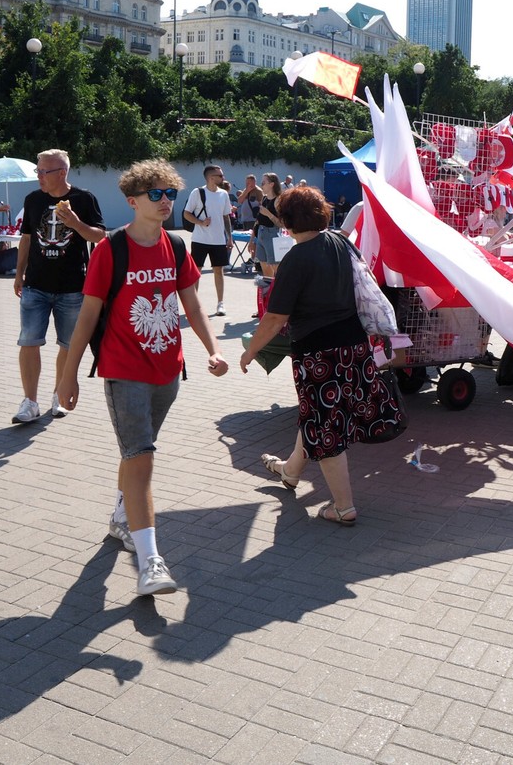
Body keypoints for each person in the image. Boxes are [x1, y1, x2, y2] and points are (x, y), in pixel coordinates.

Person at [55, 159, 228, 595]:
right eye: (156, 195)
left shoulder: (176, 245)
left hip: (168, 370)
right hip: (123, 369)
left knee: (137, 454)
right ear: (132, 201)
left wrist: (214, 349)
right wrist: (68, 376)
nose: (166, 201)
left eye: (169, 193)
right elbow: (88, 316)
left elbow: (191, 304)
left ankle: (120, 516)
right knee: (142, 456)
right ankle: (150, 561)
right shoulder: (111, 250)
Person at [240, 186, 402, 526]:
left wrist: (251, 351)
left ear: (286, 221)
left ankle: (343, 507)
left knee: (325, 424)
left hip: (317, 353)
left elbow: (274, 319)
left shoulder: (295, 259)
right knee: (318, 415)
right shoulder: (339, 242)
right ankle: (290, 471)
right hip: (353, 347)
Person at [13, 149, 105, 424]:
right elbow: (27, 239)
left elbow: (100, 237)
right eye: (37, 171)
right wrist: (19, 274)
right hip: (36, 286)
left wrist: (75, 223)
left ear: (62, 172)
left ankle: (59, 395)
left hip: (73, 287)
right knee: (29, 342)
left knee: (68, 344)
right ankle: (29, 402)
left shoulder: (83, 198)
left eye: (44, 171)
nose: (39, 176)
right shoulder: (33, 200)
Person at [182, 165, 233, 316]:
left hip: (218, 240)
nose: (223, 178)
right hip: (200, 239)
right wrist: (200, 222)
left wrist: (229, 238)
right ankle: (194, 304)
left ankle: (220, 304)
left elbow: (226, 217)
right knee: (196, 271)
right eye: (220, 176)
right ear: (211, 178)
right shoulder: (198, 192)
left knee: (219, 271)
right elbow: (186, 213)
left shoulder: (224, 194)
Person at [255, 172, 284, 279]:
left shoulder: (278, 200)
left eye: (263, 183)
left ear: (272, 184)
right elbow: (258, 221)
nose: (261, 185)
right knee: (265, 270)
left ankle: (278, 293)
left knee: (276, 269)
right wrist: (251, 240)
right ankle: (268, 294)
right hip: (261, 233)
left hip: (272, 233)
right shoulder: (264, 198)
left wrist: (268, 214)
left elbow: (282, 224)